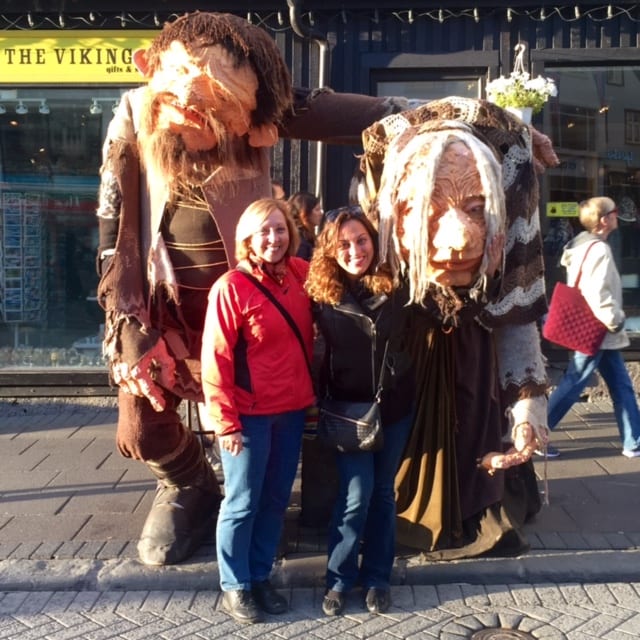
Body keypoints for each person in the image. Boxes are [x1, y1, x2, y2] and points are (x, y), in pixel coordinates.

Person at [94, 10, 415, 566]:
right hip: (167, 305)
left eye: (213, 106)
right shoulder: (134, 113)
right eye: (185, 99)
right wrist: (126, 323)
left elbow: (355, 113)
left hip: (253, 300)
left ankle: (296, 501)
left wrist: (439, 116)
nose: (194, 117)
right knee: (141, 425)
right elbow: (112, 228)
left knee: (288, 399)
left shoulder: (255, 108)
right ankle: (189, 484)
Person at [355, 97, 559, 559]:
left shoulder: (502, 259)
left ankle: (473, 513)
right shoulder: (379, 265)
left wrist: (528, 414)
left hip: (472, 369)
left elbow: (517, 320)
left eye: (475, 208)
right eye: (428, 209)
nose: (459, 239)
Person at [201, 198, 314, 623]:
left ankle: (260, 574)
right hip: (247, 416)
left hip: (292, 410)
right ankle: (235, 584)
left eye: (280, 229)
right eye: (263, 231)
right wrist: (223, 422)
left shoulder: (302, 275)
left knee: (275, 500)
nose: (273, 238)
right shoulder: (231, 287)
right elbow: (216, 360)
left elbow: (346, 281)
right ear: (247, 238)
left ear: (291, 233)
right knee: (242, 502)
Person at [305, 206, 415, 616]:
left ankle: (378, 577)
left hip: (395, 405)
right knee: (356, 495)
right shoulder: (319, 294)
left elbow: (439, 307)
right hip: (349, 410)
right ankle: (338, 578)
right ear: (330, 251)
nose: (355, 250)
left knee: (384, 494)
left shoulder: (399, 282)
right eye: (344, 244)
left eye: (362, 240)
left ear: (374, 239)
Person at [547, 196, 640, 458]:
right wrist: (615, 320)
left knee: (621, 384)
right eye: (614, 211)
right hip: (597, 329)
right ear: (603, 220)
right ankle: (536, 434)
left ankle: (633, 440)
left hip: (598, 332)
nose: (617, 215)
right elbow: (596, 293)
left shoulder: (583, 245)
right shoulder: (598, 250)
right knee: (574, 383)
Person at [288, 191, 323, 260]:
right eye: (317, 209)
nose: (321, 213)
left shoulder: (307, 235)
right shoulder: (300, 241)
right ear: (304, 213)